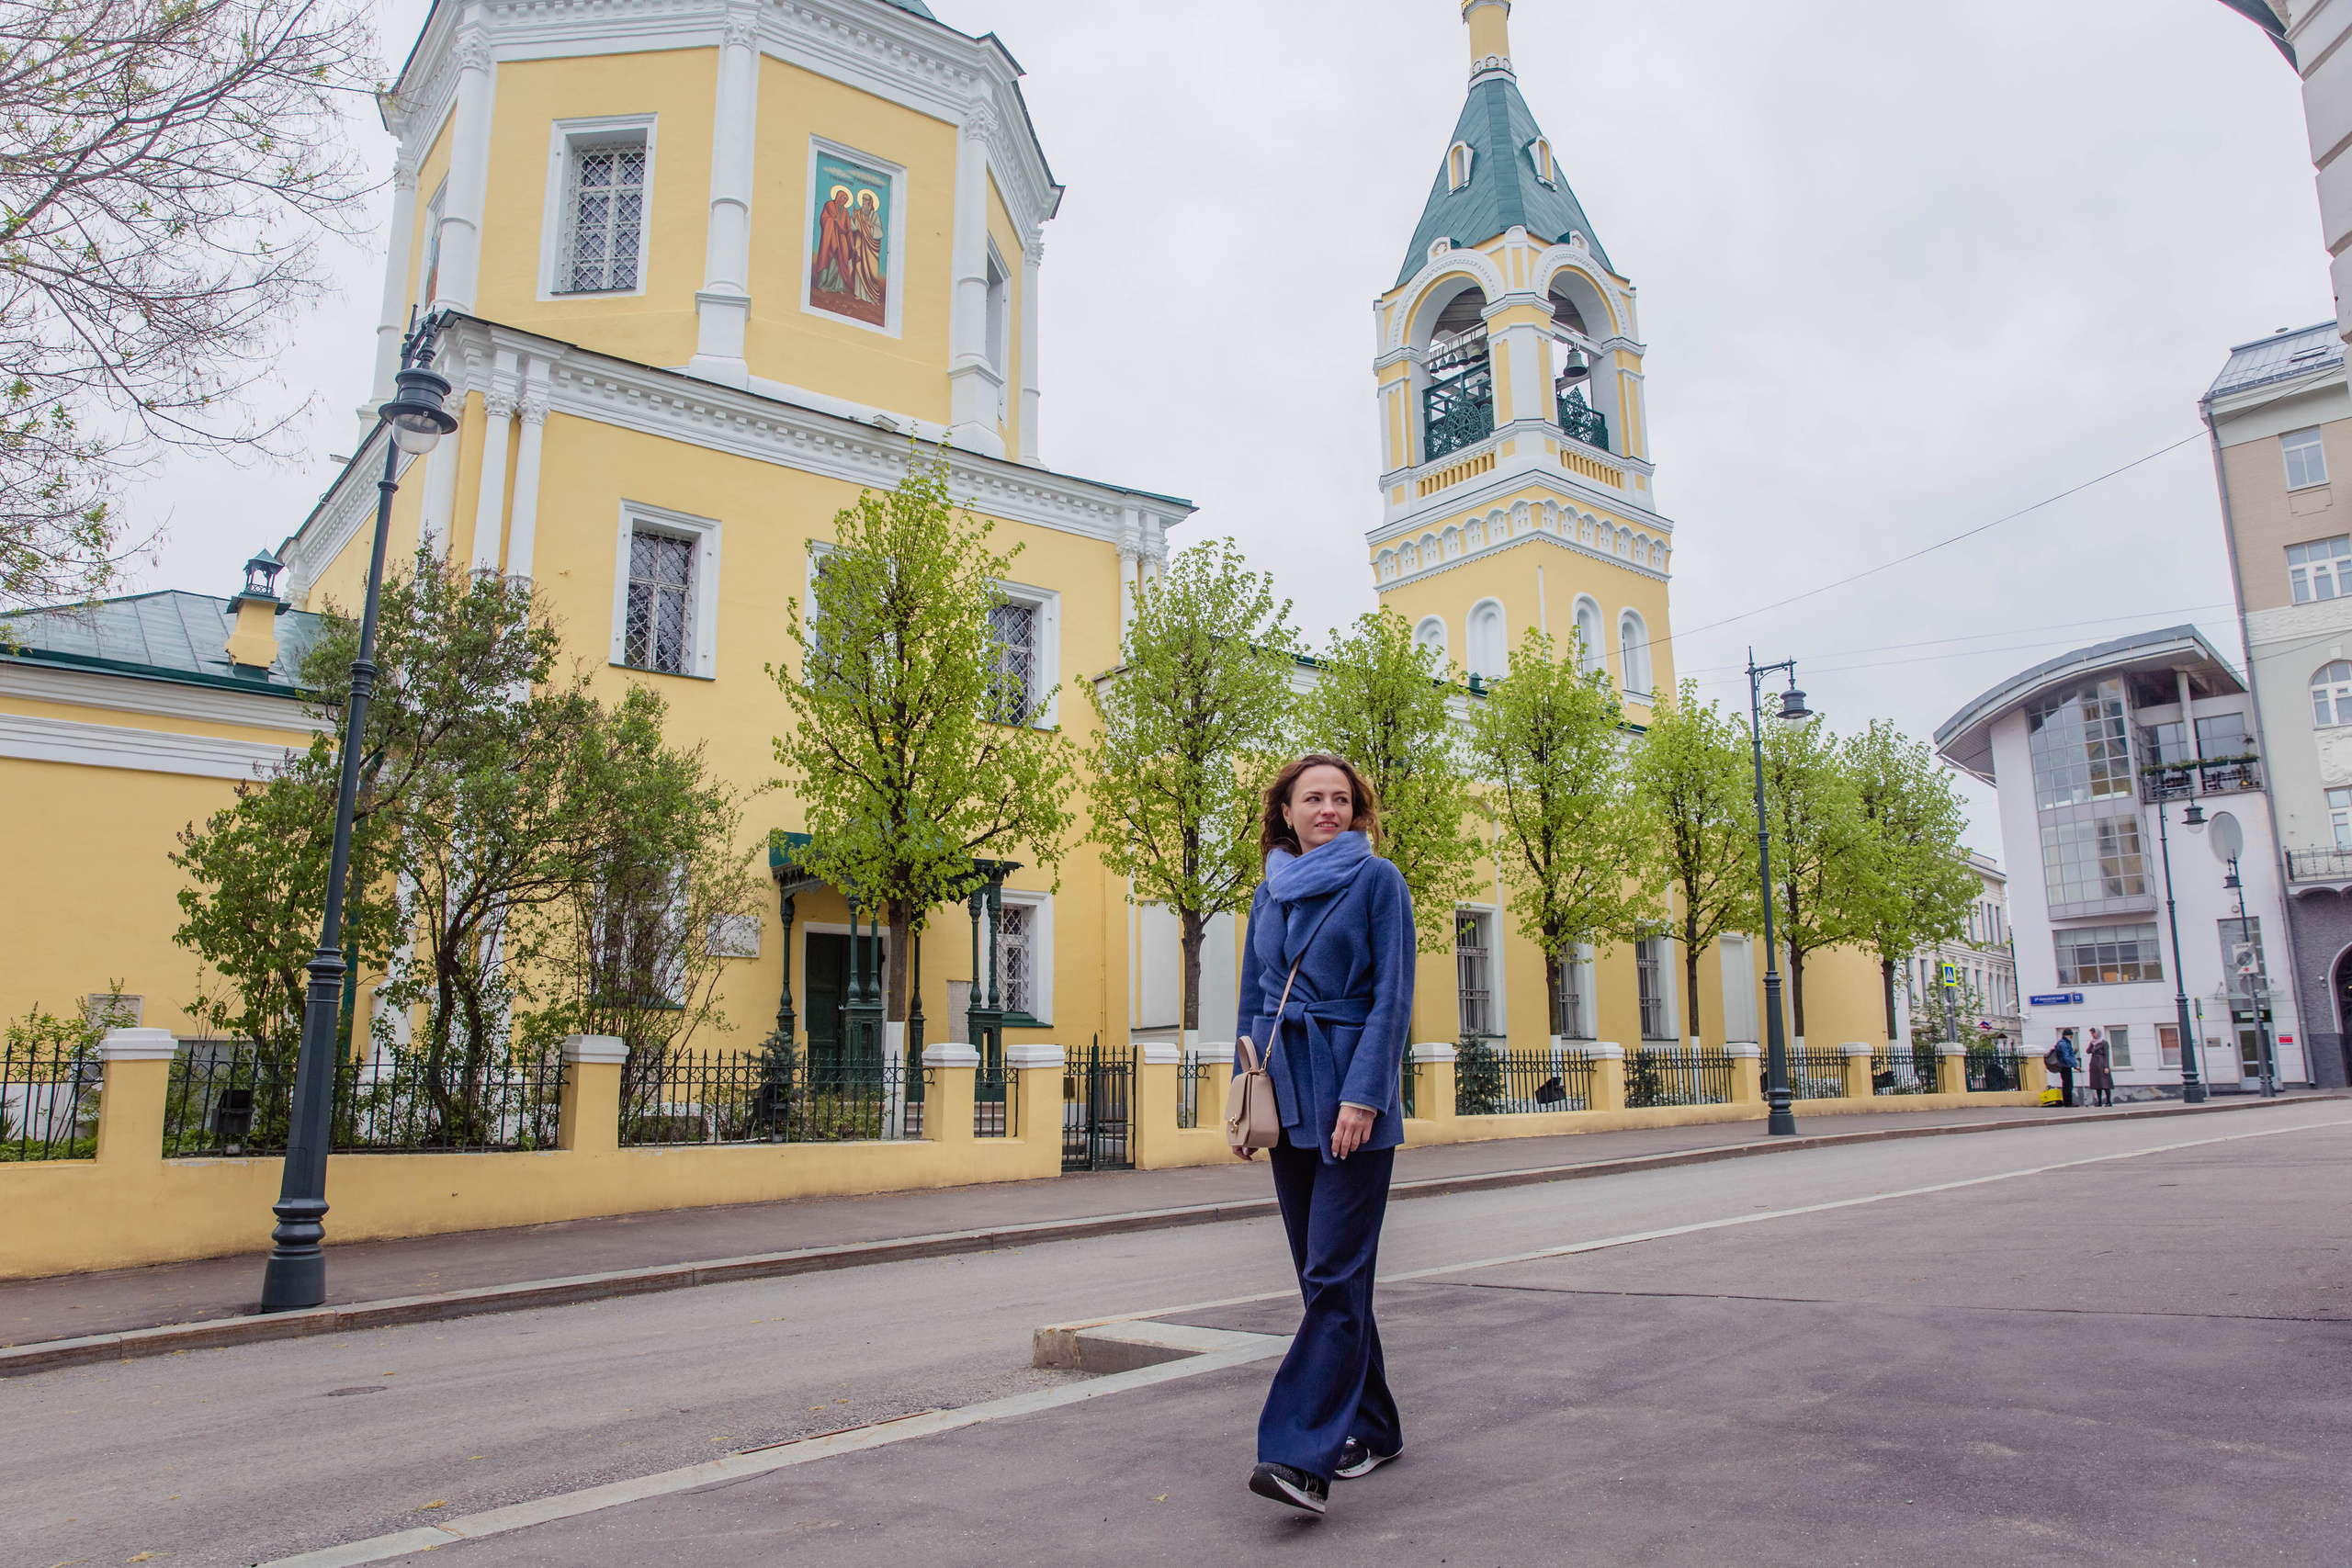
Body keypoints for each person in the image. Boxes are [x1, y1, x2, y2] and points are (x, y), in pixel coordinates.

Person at [1234, 753, 1415, 1516]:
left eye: (1342, 798)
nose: (1330, 809)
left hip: (1350, 1102)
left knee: (1336, 1274)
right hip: (1291, 1103)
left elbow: (1392, 997)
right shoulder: (1267, 891)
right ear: (1286, 810)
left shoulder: (1379, 881)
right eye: (1315, 797)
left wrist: (1365, 1095)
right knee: (1324, 1279)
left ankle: (1299, 1454)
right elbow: (1252, 999)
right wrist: (1243, 1098)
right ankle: (1373, 1424)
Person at [2051, 1028, 2080, 1108]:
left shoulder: (2063, 1043)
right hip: (2065, 1066)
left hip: (2065, 1065)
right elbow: (2066, 1056)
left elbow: (2067, 1055)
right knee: (2068, 1085)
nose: (2072, 1038)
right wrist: (2075, 1065)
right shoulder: (2064, 1044)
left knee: (2067, 1084)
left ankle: (2068, 1102)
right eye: (2071, 1036)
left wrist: (2074, 1052)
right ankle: (2068, 1102)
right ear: (2068, 1035)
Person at [2086, 1027, 2114, 1108]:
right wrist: (2091, 1044)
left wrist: (2106, 1066)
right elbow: (2088, 1051)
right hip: (2094, 1064)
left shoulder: (2104, 1043)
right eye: (2091, 1034)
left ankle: (2108, 1101)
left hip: (2101, 1064)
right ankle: (2099, 1101)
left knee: (2105, 1084)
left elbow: (2106, 1055)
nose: (2093, 1035)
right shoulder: (2093, 1043)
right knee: (2097, 1084)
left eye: (2093, 1033)